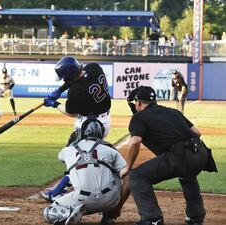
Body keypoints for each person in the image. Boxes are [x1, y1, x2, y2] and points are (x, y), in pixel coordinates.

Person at [121, 86, 217, 225]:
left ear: (138, 102)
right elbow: (197, 132)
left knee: (137, 176)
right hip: (201, 153)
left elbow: (135, 141)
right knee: (187, 175)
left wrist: (127, 167)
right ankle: (195, 216)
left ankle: (152, 218)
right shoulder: (172, 111)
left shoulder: (138, 117)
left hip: (181, 155)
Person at [41, 56, 112, 204]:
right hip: (105, 120)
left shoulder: (76, 92)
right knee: (83, 156)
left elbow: (70, 112)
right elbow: (79, 78)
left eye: (64, 79)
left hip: (88, 125)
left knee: (73, 155)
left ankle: (57, 193)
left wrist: (54, 104)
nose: (63, 80)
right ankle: (64, 188)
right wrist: (60, 89)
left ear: (69, 76)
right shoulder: (95, 68)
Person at [42, 119, 128, 225]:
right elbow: (128, 175)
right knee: (118, 171)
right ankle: (108, 216)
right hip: (111, 200)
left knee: (49, 212)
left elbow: (60, 157)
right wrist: (118, 206)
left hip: (82, 199)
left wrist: (72, 144)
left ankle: (69, 213)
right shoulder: (111, 151)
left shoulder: (68, 150)